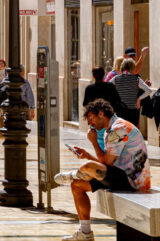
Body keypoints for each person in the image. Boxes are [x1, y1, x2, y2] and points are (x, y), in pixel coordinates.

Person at [54, 98, 151, 241]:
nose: (90, 123)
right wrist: (87, 155)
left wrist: (94, 142)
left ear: (101, 113)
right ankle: (85, 233)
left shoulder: (119, 129)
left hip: (132, 181)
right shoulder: (110, 130)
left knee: (87, 167)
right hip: (120, 175)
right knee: (77, 186)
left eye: (91, 118)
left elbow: (106, 162)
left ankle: (74, 174)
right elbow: (106, 163)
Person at [111, 58, 151, 127]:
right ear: (133, 67)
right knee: (132, 130)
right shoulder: (137, 79)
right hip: (133, 110)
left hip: (120, 111)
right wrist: (139, 99)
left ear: (122, 66)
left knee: (122, 130)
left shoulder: (115, 79)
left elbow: (107, 87)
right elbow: (148, 90)